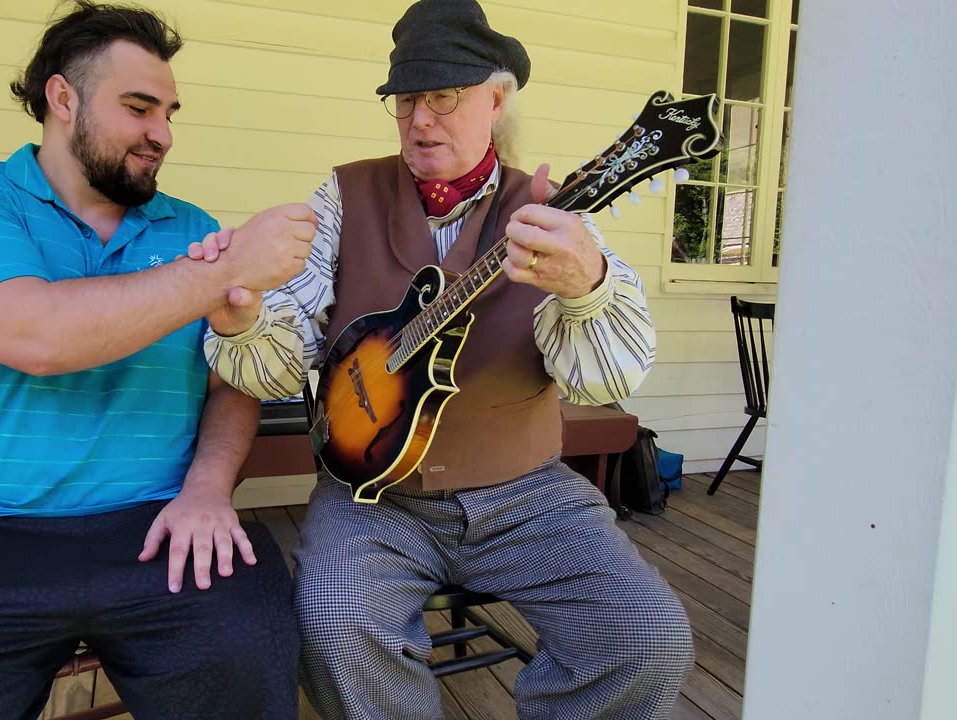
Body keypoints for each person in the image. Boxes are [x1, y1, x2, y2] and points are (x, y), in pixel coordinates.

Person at [0, 3, 315, 718]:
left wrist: (207, 487)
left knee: (251, 664)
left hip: (160, 523)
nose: (162, 134)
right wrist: (219, 272)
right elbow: (38, 337)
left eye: (169, 112)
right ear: (62, 98)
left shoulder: (193, 230)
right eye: (139, 108)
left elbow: (231, 377)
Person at [201, 1, 694, 717]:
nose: (420, 120)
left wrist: (584, 286)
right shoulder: (344, 197)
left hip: (524, 492)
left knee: (645, 637)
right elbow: (281, 356)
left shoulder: (550, 214)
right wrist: (245, 320)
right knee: (334, 624)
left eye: (443, 98)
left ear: (495, 101)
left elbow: (610, 378)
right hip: (374, 497)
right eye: (407, 101)